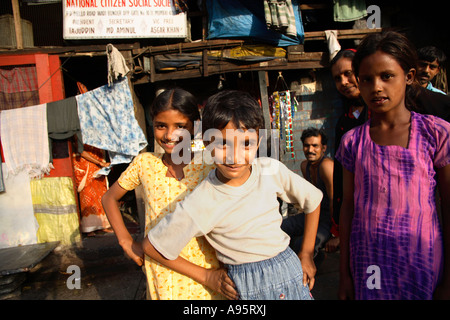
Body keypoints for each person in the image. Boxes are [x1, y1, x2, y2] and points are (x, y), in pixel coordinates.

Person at [141, 90, 322, 300]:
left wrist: (307, 253)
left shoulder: (271, 170)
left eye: (246, 143)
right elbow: (152, 246)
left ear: (259, 140)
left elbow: (313, 200)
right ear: (207, 143)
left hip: (290, 271)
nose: (234, 156)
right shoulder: (203, 199)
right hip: (245, 286)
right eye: (222, 143)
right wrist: (208, 277)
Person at [336, 31, 450, 300]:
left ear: (409, 77)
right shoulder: (353, 141)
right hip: (368, 263)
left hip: (421, 262)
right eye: (366, 79)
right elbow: (348, 206)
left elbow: (448, 203)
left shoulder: (435, 134)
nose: (376, 87)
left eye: (387, 76)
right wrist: (344, 276)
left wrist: (448, 280)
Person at [102, 88, 224, 300]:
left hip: (208, 269)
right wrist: (126, 242)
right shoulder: (144, 164)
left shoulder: (210, 163)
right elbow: (109, 198)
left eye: (180, 126)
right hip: (161, 271)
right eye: (161, 126)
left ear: (195, 126)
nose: (169, 135)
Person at [329, 49, 370, 252]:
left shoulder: (383, 115)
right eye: (337, 78)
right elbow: (339, 175)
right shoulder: (345, 121)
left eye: (348, 73)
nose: (343, 82)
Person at [281, 127, 333, 257]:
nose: (310, 150)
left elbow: (336, 201)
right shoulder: (305, 166)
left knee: (302, 244)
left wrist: (337, 235)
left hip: (330, 220)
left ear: (324, 148)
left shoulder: (326, 166)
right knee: (281, 226)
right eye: (306, 146)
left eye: (315, 146)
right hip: (313, 214)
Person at [73, 143, 112, 236]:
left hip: (97, 167)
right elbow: (82, 152)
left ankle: (101, 226)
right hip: (85, 168)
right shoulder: (80, 135)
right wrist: (99, 162)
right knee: (88, 196)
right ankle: (89, 228)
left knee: (100, 194)